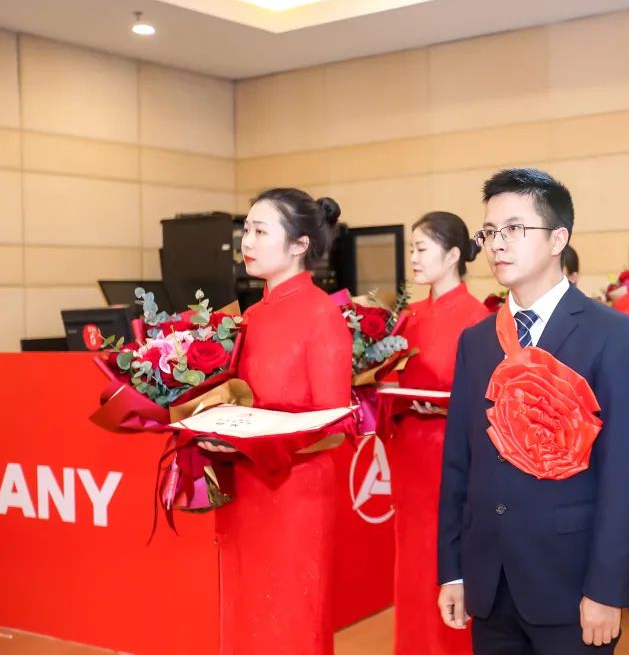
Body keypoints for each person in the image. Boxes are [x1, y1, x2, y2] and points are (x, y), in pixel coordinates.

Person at [437, 168, 629, 655]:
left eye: (514, 229)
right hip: (489, 579)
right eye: (490, 232)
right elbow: (459, 463)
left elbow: (627, 475)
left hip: (571, 580)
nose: (497, 244)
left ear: (558, 239)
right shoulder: (477, 340)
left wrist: (608, 588)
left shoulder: (612, 335)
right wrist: (453, 570)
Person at [208, 188, 353, 655]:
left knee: (291, 622)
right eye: (246, 231)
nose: (246, 242)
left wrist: (255, 442)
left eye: (260, 231)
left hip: (295, 493)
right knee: (244, 614)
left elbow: (334, 427)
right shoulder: (249, 316)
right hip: (245, 488)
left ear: (299, 244)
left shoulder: (322, 315)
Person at [385, 211, 490, 655]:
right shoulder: (407, 316)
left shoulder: (477, 317)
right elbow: (386, 380)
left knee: (445, 558)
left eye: (421, 249)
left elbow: (486, 397)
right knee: (411, 564)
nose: (413, 257)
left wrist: (448, 404)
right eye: (411, 249)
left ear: (451, 256)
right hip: (410, 453)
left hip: (450, 456)